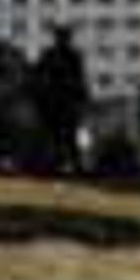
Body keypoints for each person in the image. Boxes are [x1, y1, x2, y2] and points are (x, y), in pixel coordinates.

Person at [27, 24, 88, 177]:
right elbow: (38, 74)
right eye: (61, 37)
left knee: (67, 136)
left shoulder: (71, 56)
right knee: (55, 136)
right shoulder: (51, 55)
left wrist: (81, 97)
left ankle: (70, 164)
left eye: (64, 37)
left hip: (63, 102)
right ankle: (54, 163)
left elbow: (79, 79)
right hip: (53, 102)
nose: (63, 40)